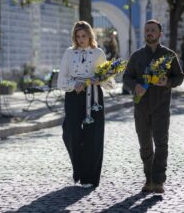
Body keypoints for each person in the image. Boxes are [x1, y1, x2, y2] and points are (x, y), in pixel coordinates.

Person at [123, 20, 183, 194]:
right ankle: (148, 178)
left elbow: (179, 77)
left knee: (161, 144)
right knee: (145, 145)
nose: (149, 32)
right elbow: (127, 77)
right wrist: (134, 86)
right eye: (147, 30)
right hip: (141, 107)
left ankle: (158, 181)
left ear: (160, 34)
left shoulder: (169, 55)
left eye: (153, 30)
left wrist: (167, 81)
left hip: (161, 107)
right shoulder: (136, 56)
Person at [57, 21, 114, 188]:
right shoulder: (69, 53)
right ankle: (80, 168)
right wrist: (74, 85)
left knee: (94, 137)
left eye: (84, 36)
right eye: (78, 36)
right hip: (73, 95)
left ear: (90, 35)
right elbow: (61, 81)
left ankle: (90, 177)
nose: (81, 39)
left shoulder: (98, 53)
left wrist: (100, 80)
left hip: (94, 96)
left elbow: (110, 83)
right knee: (70, 133)